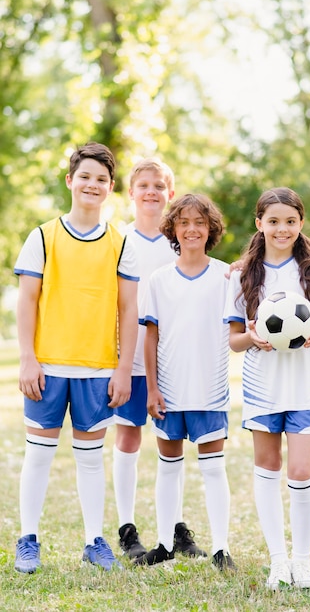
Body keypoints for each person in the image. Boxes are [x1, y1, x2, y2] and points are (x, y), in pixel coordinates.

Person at [13, 141, 139, 573]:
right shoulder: (43, 236)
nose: (92, 184)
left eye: (101, 179)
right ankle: (28, 538)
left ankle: (93, 541)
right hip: (46, 367)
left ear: (110, 188)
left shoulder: (120, 244)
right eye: (84, 176)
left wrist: (123, 369)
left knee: (90, 459)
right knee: (39, 456)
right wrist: (27, 359)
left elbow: (128, 310)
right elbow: (27, 301)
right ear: (70, 181)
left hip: (97, 368)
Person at [223, 187, 310, 590]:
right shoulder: (242, 275)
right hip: (263, 385)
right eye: (273, 221)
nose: (282, 229)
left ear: (301, 223)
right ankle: (278, 561)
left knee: (302, 470)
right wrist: (254, 338)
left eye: (290, 221)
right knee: (268, 468)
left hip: (307, 381)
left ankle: (303, 561)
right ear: (259, 224)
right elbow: (234, 339)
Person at [113, 158, 206, 560]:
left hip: (172, 361)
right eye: (143, 185)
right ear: (131, 193)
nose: (151, 192)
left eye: (159, 186)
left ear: (170, 193)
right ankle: (126, 527)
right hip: (127, 360)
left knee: (172, 443)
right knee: (129, 437)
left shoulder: (180, 243)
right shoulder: (118, 241)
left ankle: (174, 527)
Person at [137, 193, 235, 571]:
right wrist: (152, 387)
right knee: (168, 467)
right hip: (170, 390)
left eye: (200, 223)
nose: (192, 229)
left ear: (210, 229)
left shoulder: (226, 276)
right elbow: (152, 336)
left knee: (213, 469)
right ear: (173, 229)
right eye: (184, 223)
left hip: (210, 389)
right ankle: (163, 544)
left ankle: (222, 548)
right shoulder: (160, 280)